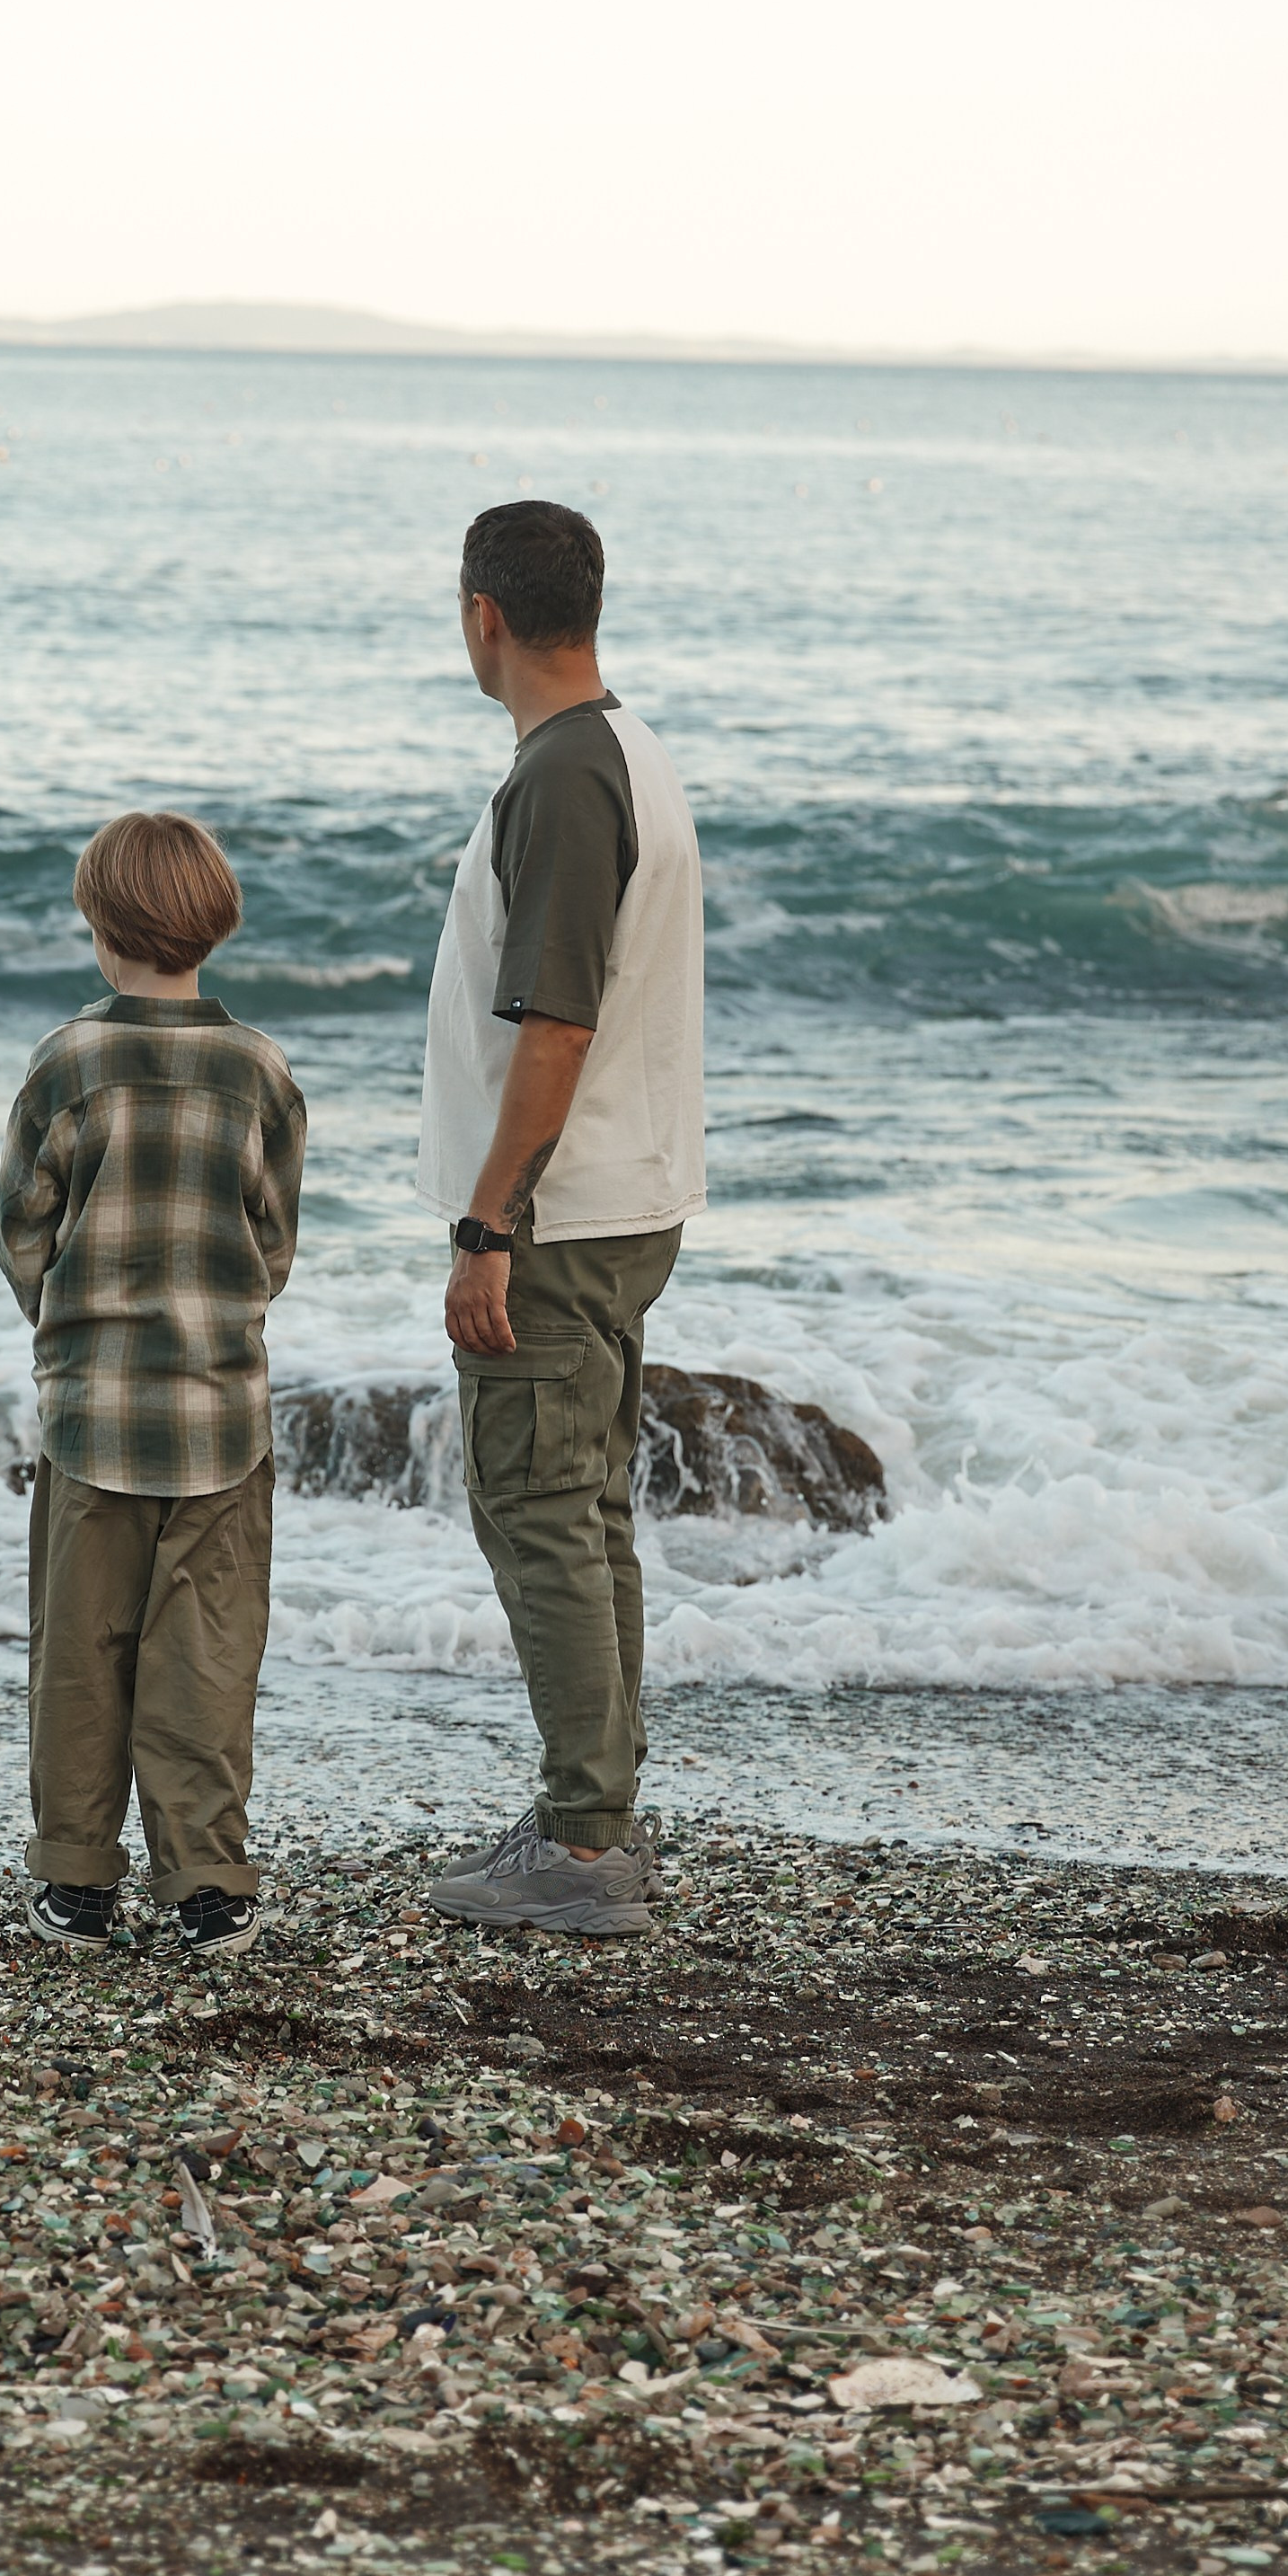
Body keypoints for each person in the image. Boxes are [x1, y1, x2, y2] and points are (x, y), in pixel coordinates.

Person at [417, 500, 705, 1934]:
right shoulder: (624, 752)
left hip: (564, 1214)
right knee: (584, 1513)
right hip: (618, 1197)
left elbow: (555, 1025)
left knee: (541, 1514)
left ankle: (586, 1847)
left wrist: (487, 1224)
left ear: (483, 615)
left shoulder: (566, 777)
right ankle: (595, 1815)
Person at [0, 811, 305, 1958]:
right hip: (222, 1410)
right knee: (208, 1649)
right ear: (208, 925)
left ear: (99, 924)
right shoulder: (260, 1070)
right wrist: (221, 1318)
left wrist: (72, 1328)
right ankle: (206, 1882)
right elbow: (273, 1239)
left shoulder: (68, 1062)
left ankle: (77, 1879)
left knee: (81, 1649)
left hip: (92, 1412)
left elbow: (24, 1233)